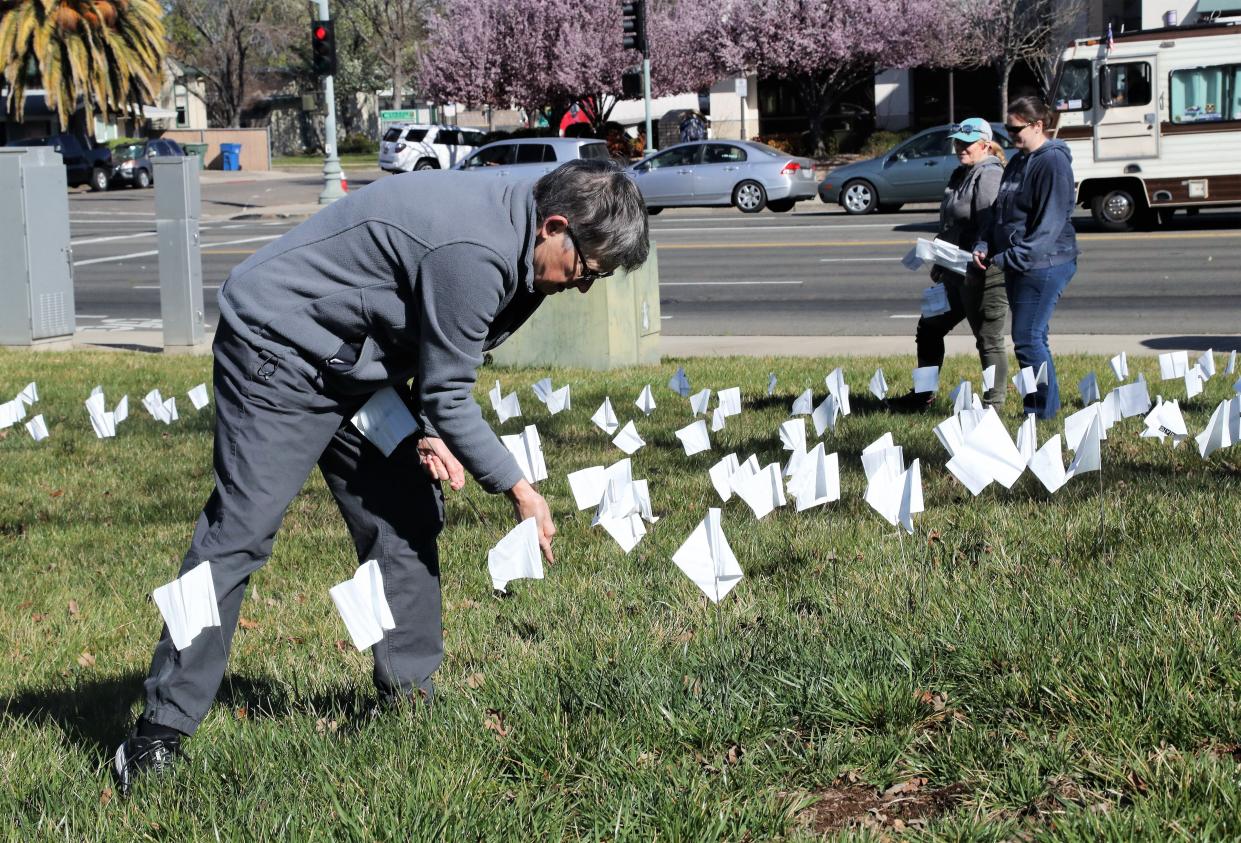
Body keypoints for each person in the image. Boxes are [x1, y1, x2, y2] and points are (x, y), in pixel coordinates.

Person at [113, 159, 650, 794]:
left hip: (357, 368)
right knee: (240, 534)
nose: (585, 285)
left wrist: (424, 428)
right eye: (587, 269)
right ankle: (157, 734)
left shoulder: (527, 244)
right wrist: (520, 491)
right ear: (555, 226)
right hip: (278, 353)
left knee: (408, 514)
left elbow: (434, 353)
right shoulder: (477, 249)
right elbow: (452, 393)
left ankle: (409, 697)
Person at [889, 117, 1009, 411]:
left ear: (985, 144)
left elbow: (989, 224)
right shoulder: (961, 173)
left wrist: (977, 260)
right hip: (955, 270)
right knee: (929, 329)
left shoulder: (990, 175)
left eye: (966, 143)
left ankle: (995, 406)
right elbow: (952, 222)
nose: (960, 147)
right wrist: (938, 256)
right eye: (957, 142)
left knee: (988, 339)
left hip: (983, 270)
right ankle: (923, 396)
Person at [973, 95, 1079, 420]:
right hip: (1018, 261)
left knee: (1027, 338)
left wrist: (1010, 258)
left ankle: (1040, 412)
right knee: (1033, 336)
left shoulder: (1053, 163)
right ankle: (1045, 407)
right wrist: (984, 242)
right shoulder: (1019, 160)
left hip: (1044, 264)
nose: (1009, 134)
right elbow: (999, 210)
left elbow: (1049, 226)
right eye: (1005, 127)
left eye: (1015, 127)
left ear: (1038, 125)